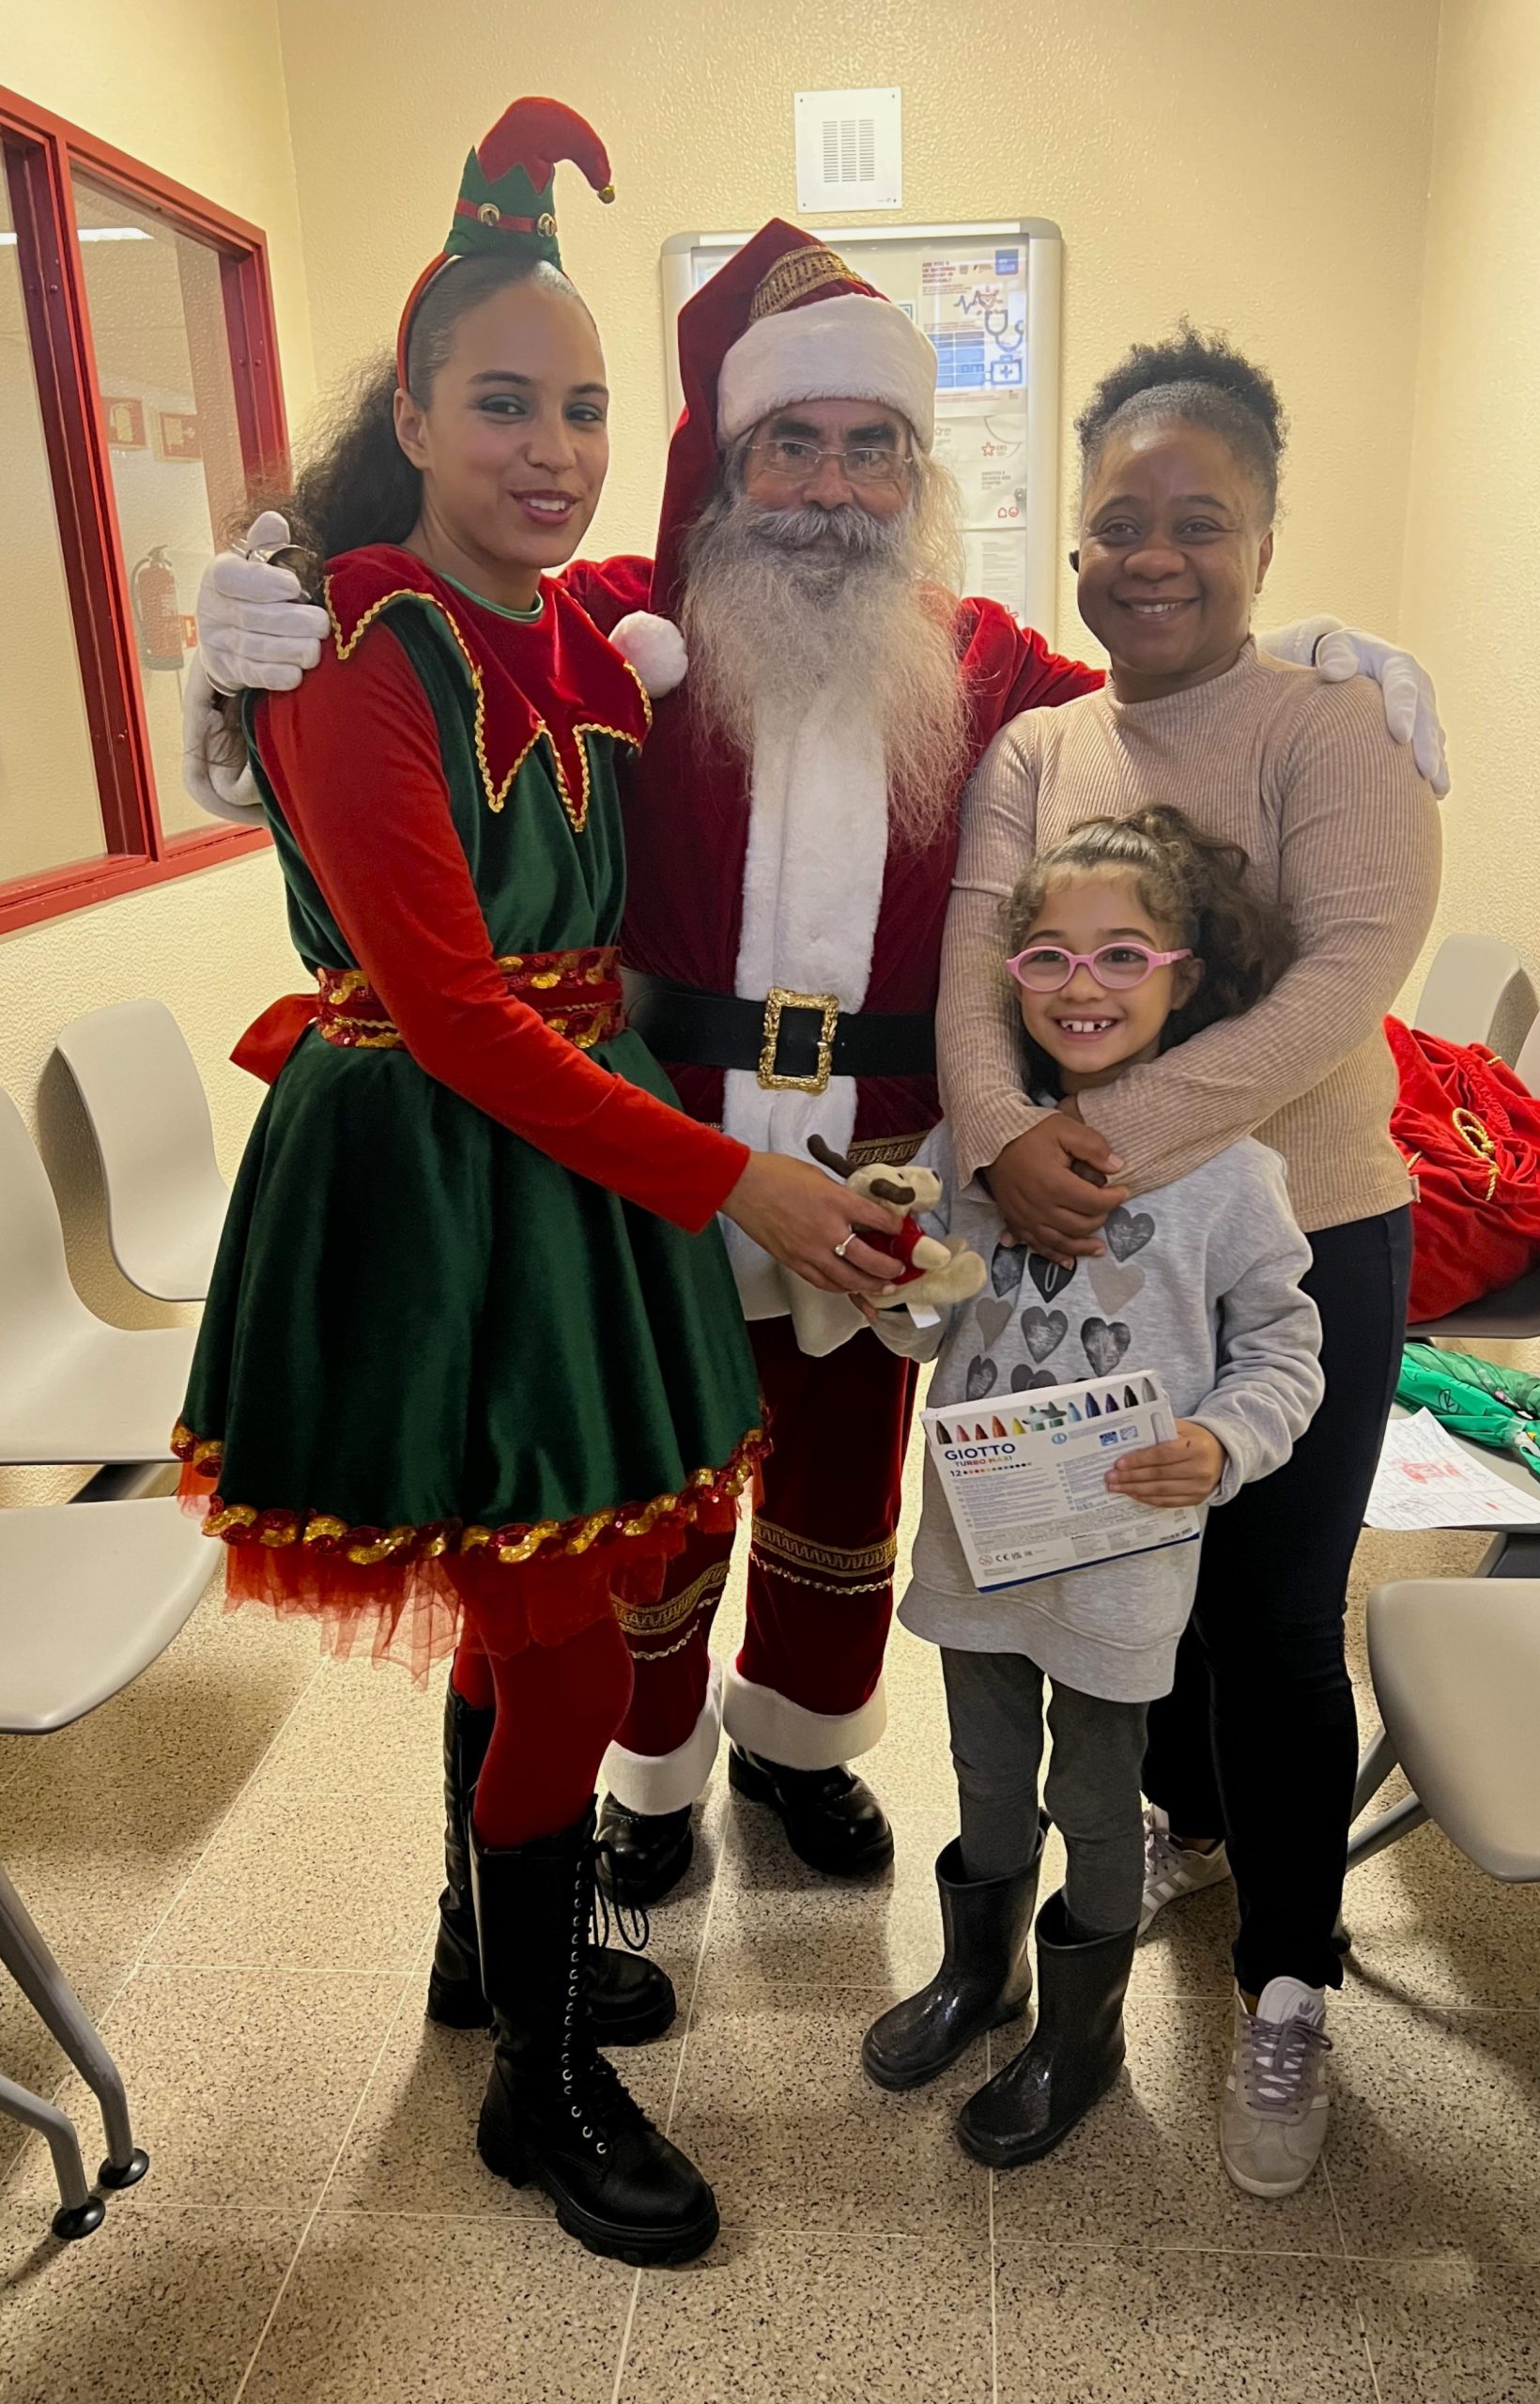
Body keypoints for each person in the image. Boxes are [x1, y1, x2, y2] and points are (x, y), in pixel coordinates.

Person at [183, 229, 1447, 1913]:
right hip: (655, 1133)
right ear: (732, 458)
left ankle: (797, 1746)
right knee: (646, 1483)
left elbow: (1160, 712)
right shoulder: (621, 619)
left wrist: (1309, 661)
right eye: (793, 442)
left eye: (872, 449)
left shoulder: (990, 663)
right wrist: (229, 654)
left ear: (919, 476)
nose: (833, 487)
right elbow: (439, 642)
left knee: (845, 1481)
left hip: (888, 1152)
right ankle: (647, 1764)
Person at [172, 100, 905, 2269]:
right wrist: (742, 1186)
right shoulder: (360, 646)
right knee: (568, 1651)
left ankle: (482, 1949)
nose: (554, 448)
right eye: (502, 402)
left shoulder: (579, 635)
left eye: (584, 408)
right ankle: (535, 2082)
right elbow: (463, 1011)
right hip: (443, 1180)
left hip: (567, 1174)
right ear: (408, 416)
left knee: (534, 1598)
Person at [938, 325, 1442, 2197]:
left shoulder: (1333, 730)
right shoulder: (1035, 746)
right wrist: (999, 1138)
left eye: (1199, 521)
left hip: (1300, 1231)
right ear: (1072, 535)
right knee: (1120, 1587)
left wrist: (1097, 1144)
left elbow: (1343, 984)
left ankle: (1290, 1978)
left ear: (1265, 538)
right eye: (1118, 520)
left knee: (1273, 1623)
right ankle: (1185, 1825)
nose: (1152, 555)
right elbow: (977, 961)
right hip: (1069, 1249)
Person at [855, 808, 1323, 2169]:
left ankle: (1084, 2034)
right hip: (979, 1540)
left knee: (1100, 1799)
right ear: (1010, 979)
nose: (1083, 985)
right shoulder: (969, 1145)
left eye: (1123, 954)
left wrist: (1223, 1445)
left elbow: (1286, 1352)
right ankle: (981, 1976)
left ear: (1189, 978)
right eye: (1048, 955)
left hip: (1122, 1555)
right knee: (987, 1773)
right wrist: (899, 1285)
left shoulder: (1235, 1179)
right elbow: (924, 1328)